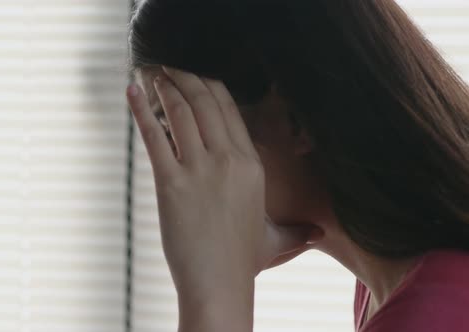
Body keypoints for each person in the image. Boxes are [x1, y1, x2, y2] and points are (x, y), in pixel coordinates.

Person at [125, 0, 469, 331]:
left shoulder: (433, 313)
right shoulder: (391, 285)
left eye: (176, 130)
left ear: (293, 119)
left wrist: (214, 294)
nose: (177, 174)